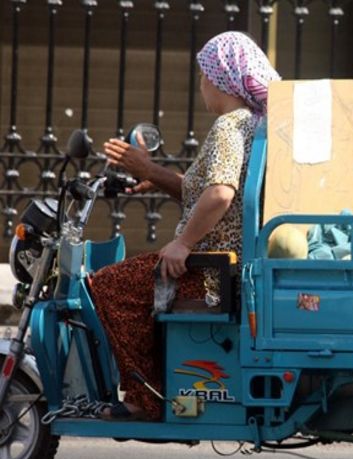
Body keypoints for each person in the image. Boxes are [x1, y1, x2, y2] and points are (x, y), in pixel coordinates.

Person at [92, 31, 281, 421]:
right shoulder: (254, 123)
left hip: (211, 275)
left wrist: (182, 244)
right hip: (224, 268)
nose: (200, 87)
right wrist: (153, 173)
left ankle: (146, 400)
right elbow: (210, 194)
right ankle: (165, 384)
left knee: (108, 285)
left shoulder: (231, 126)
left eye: (202, 77)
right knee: (139, 282)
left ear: (218, 79)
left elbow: (220, 195)